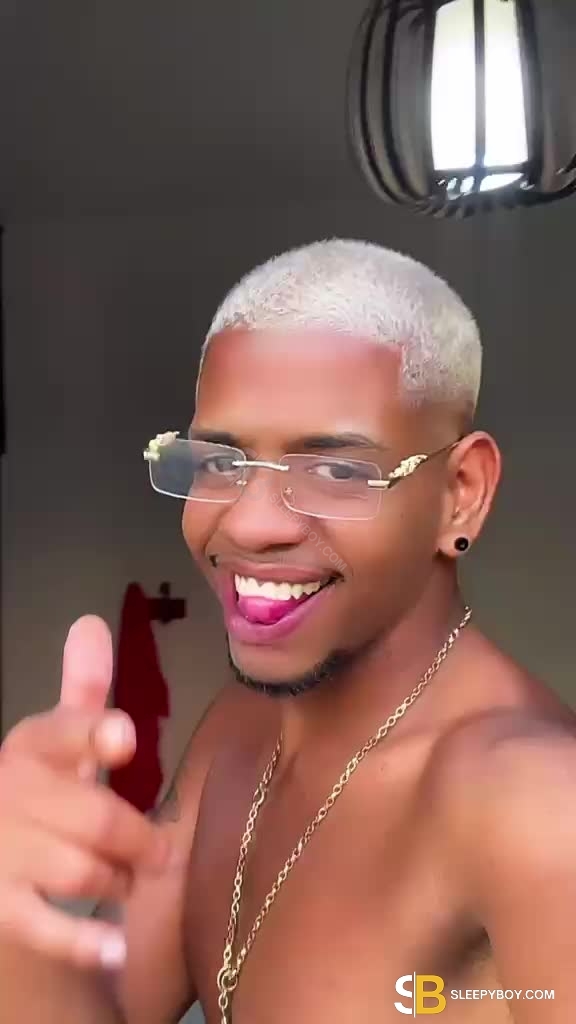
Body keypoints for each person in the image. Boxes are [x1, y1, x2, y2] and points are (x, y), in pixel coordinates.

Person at [1, 239, 575, 1024]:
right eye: (220, 463)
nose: (249, 524)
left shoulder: (537, 805)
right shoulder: (236, 737)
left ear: (460, 495)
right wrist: (16, 916)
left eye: (336, 471)